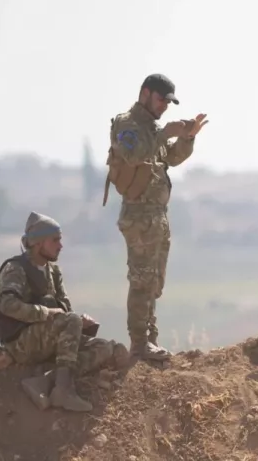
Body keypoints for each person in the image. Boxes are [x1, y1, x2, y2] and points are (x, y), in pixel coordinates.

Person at [105, 73, 209, 361]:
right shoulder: (128, 124)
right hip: (139, 217)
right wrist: (165, 133)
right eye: (161, 99)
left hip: (157, 217)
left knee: (155, 282)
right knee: (142, 280)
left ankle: (150, 340)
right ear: (145, 94)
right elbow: (134, 156)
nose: (165, 106)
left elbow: (171, 158)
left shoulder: (152, 128)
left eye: (168, 102)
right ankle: (140, 345)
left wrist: (187, 138)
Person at [0, 212, 125, 412]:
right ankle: (62, 391)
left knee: (103, 347)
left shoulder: (53, 272)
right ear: (38, 243)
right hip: (21, 342)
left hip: (47, 338)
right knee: (70, 321)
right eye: (55, 240)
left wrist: (78, 321)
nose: (60, 245)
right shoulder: (16, 269)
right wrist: (46, 313)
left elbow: (64, 311)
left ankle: (45, 381)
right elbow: (7, 305)